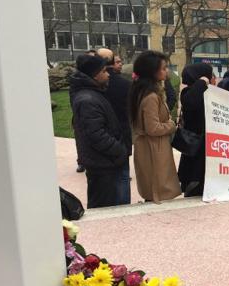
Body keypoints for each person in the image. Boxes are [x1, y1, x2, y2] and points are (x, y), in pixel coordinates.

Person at [70, 54, 128, 208]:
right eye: (104, 71)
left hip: (104, 161)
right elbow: (96, 135)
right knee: (102, 205)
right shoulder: (88, 99)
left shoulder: (94, 93)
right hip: (101, 163)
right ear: (94, 74)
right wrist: (119, 149)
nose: (108, 74)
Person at [129, 50, 181, 203]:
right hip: (153, 149)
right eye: (164, 68)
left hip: (151, 146)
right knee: (158, 190)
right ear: (152, 71)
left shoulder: (142, 91)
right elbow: (153, 128)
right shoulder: (150, 96)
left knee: (155, 188)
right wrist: (171, 125)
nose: (167, 72)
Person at [97, 47, 132, 205]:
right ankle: (123, 208)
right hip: (121, 135)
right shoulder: (125, 84)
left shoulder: (91, 86)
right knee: (122, 176)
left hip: (102, 138)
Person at [177, 63, 213, 197]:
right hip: (195, 144)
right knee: (194, 180)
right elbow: (191, 102)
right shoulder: (189, 92)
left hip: (204, 145)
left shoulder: (206, 92)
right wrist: (201, 82)